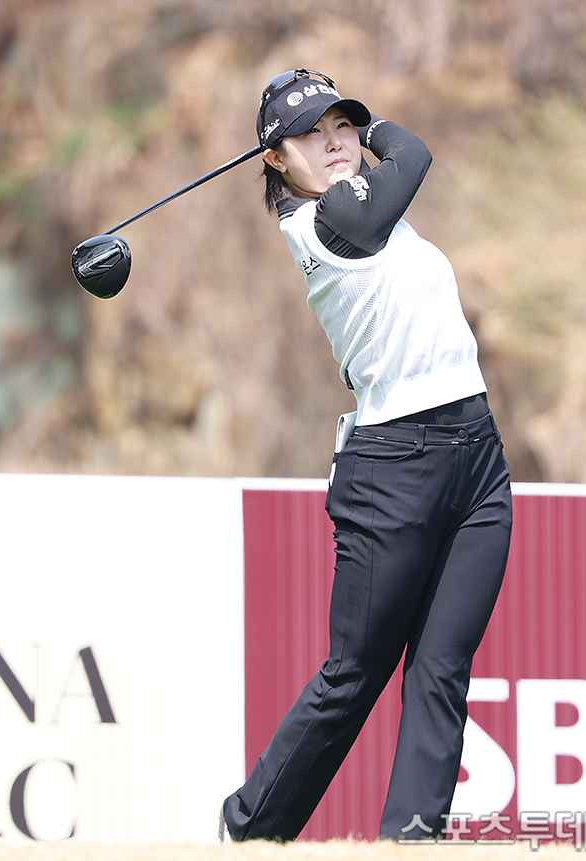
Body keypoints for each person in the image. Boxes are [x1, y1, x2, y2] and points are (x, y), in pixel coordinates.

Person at [220, 68, 512, 843]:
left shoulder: (360, 205)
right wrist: (376, 127)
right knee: (354, 673)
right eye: (310, 135)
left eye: (341, 125)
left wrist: (351, 131)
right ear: (275, 160)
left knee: (442, 669)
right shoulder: (329, 222)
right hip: (394, 468)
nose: (334, 142)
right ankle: (247, 829)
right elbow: (412, 153)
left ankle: (411, 841)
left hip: (477, 457)